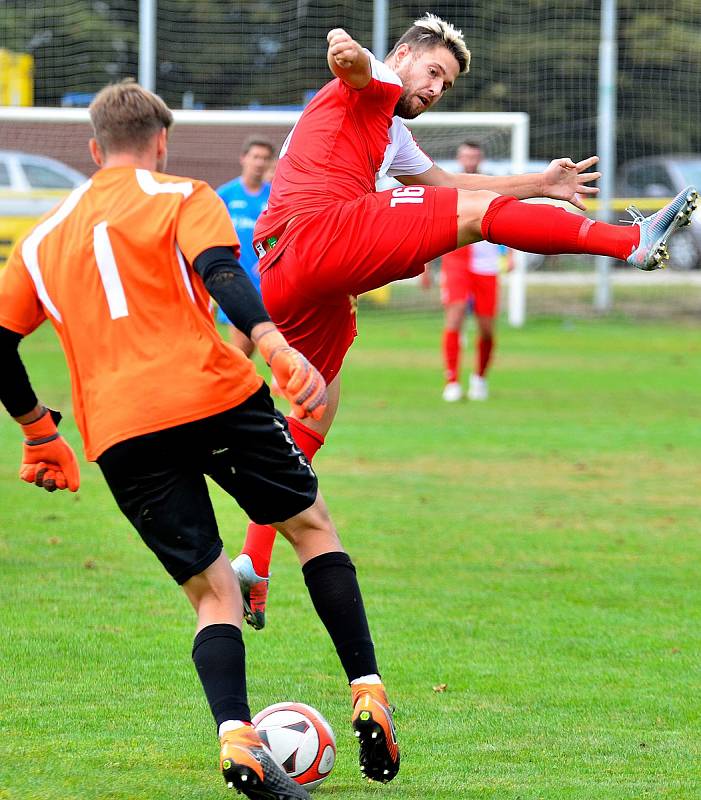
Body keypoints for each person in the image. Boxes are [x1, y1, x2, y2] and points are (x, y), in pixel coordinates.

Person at [233, 13, 698, 632]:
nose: (435, 89)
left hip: (292, 272)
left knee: (315, 413)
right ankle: (628, 242)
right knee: (475, 218)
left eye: (446, 86)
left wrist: (541, 182)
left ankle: (252, 563)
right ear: (401, 55)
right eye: (433, 72)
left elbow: (450, 182)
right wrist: (344, 52)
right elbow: (353, 69)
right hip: (315, 235)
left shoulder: (390, 131)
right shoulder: (374, 81)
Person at [0, 80, 400, 795]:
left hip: (119, 430)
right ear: (161, 143)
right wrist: (273, 344)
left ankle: (237, 738)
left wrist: (38, 432)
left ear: (94, 151)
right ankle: (367, 690)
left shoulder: (38, 240)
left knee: (213, 594)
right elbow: (221, 271)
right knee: (308, 526)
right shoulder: (183, 196)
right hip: (212, 393)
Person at [440, 140, 508, 402]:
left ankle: (479, 378)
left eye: (474, 156)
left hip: (486, 264)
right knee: (455, 317)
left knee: (487, 328)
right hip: (456, 260)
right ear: (459, 157)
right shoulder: (448, 184)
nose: (470, 160)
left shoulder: (491, 185)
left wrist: (510, 253)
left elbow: (506, 219)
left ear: (480, 158)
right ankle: (452, 381)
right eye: (466, 156)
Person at [216, 136, 275, 356]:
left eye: (265, 158)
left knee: (276, 353)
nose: (259, 162)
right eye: (255, 157)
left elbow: (282, 233)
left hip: (269, 282)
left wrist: (268, 254)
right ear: (244, 158)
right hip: (237, 282)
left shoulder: (275, 195)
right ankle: (234, 389)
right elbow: (213, 234)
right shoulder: (225, 195)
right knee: (242, 351)